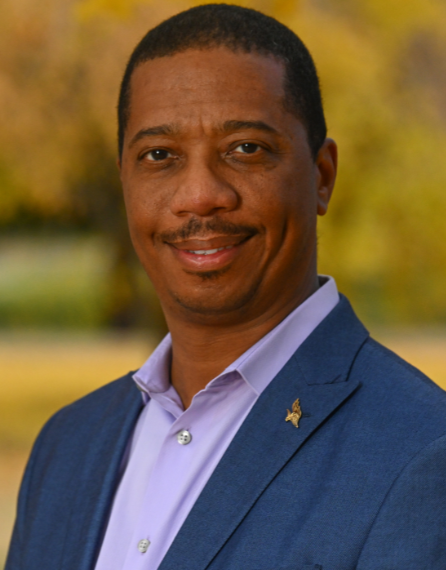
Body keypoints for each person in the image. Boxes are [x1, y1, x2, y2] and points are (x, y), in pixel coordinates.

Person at [6, 4, 446, 570]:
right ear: (124, 180)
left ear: (322, 176)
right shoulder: (67, 446)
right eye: (159, 156)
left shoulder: (420, 455)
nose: (199, 194)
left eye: (246, 149)